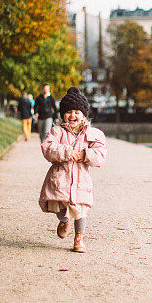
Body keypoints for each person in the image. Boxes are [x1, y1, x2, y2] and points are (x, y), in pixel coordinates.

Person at [38, 87, 107, 253]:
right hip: (61, 179)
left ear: (83, 115)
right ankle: (64, 220)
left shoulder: (92, 134)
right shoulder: (57, 131)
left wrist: (85, 155)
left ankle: (79, 239)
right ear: (63, 115)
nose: (72, 115)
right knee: (61, 207)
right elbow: (48, 148)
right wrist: (68, 152)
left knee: (81, 209)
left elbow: (101, 153)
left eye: (77, 112)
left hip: (81, 179)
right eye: (68, 112)